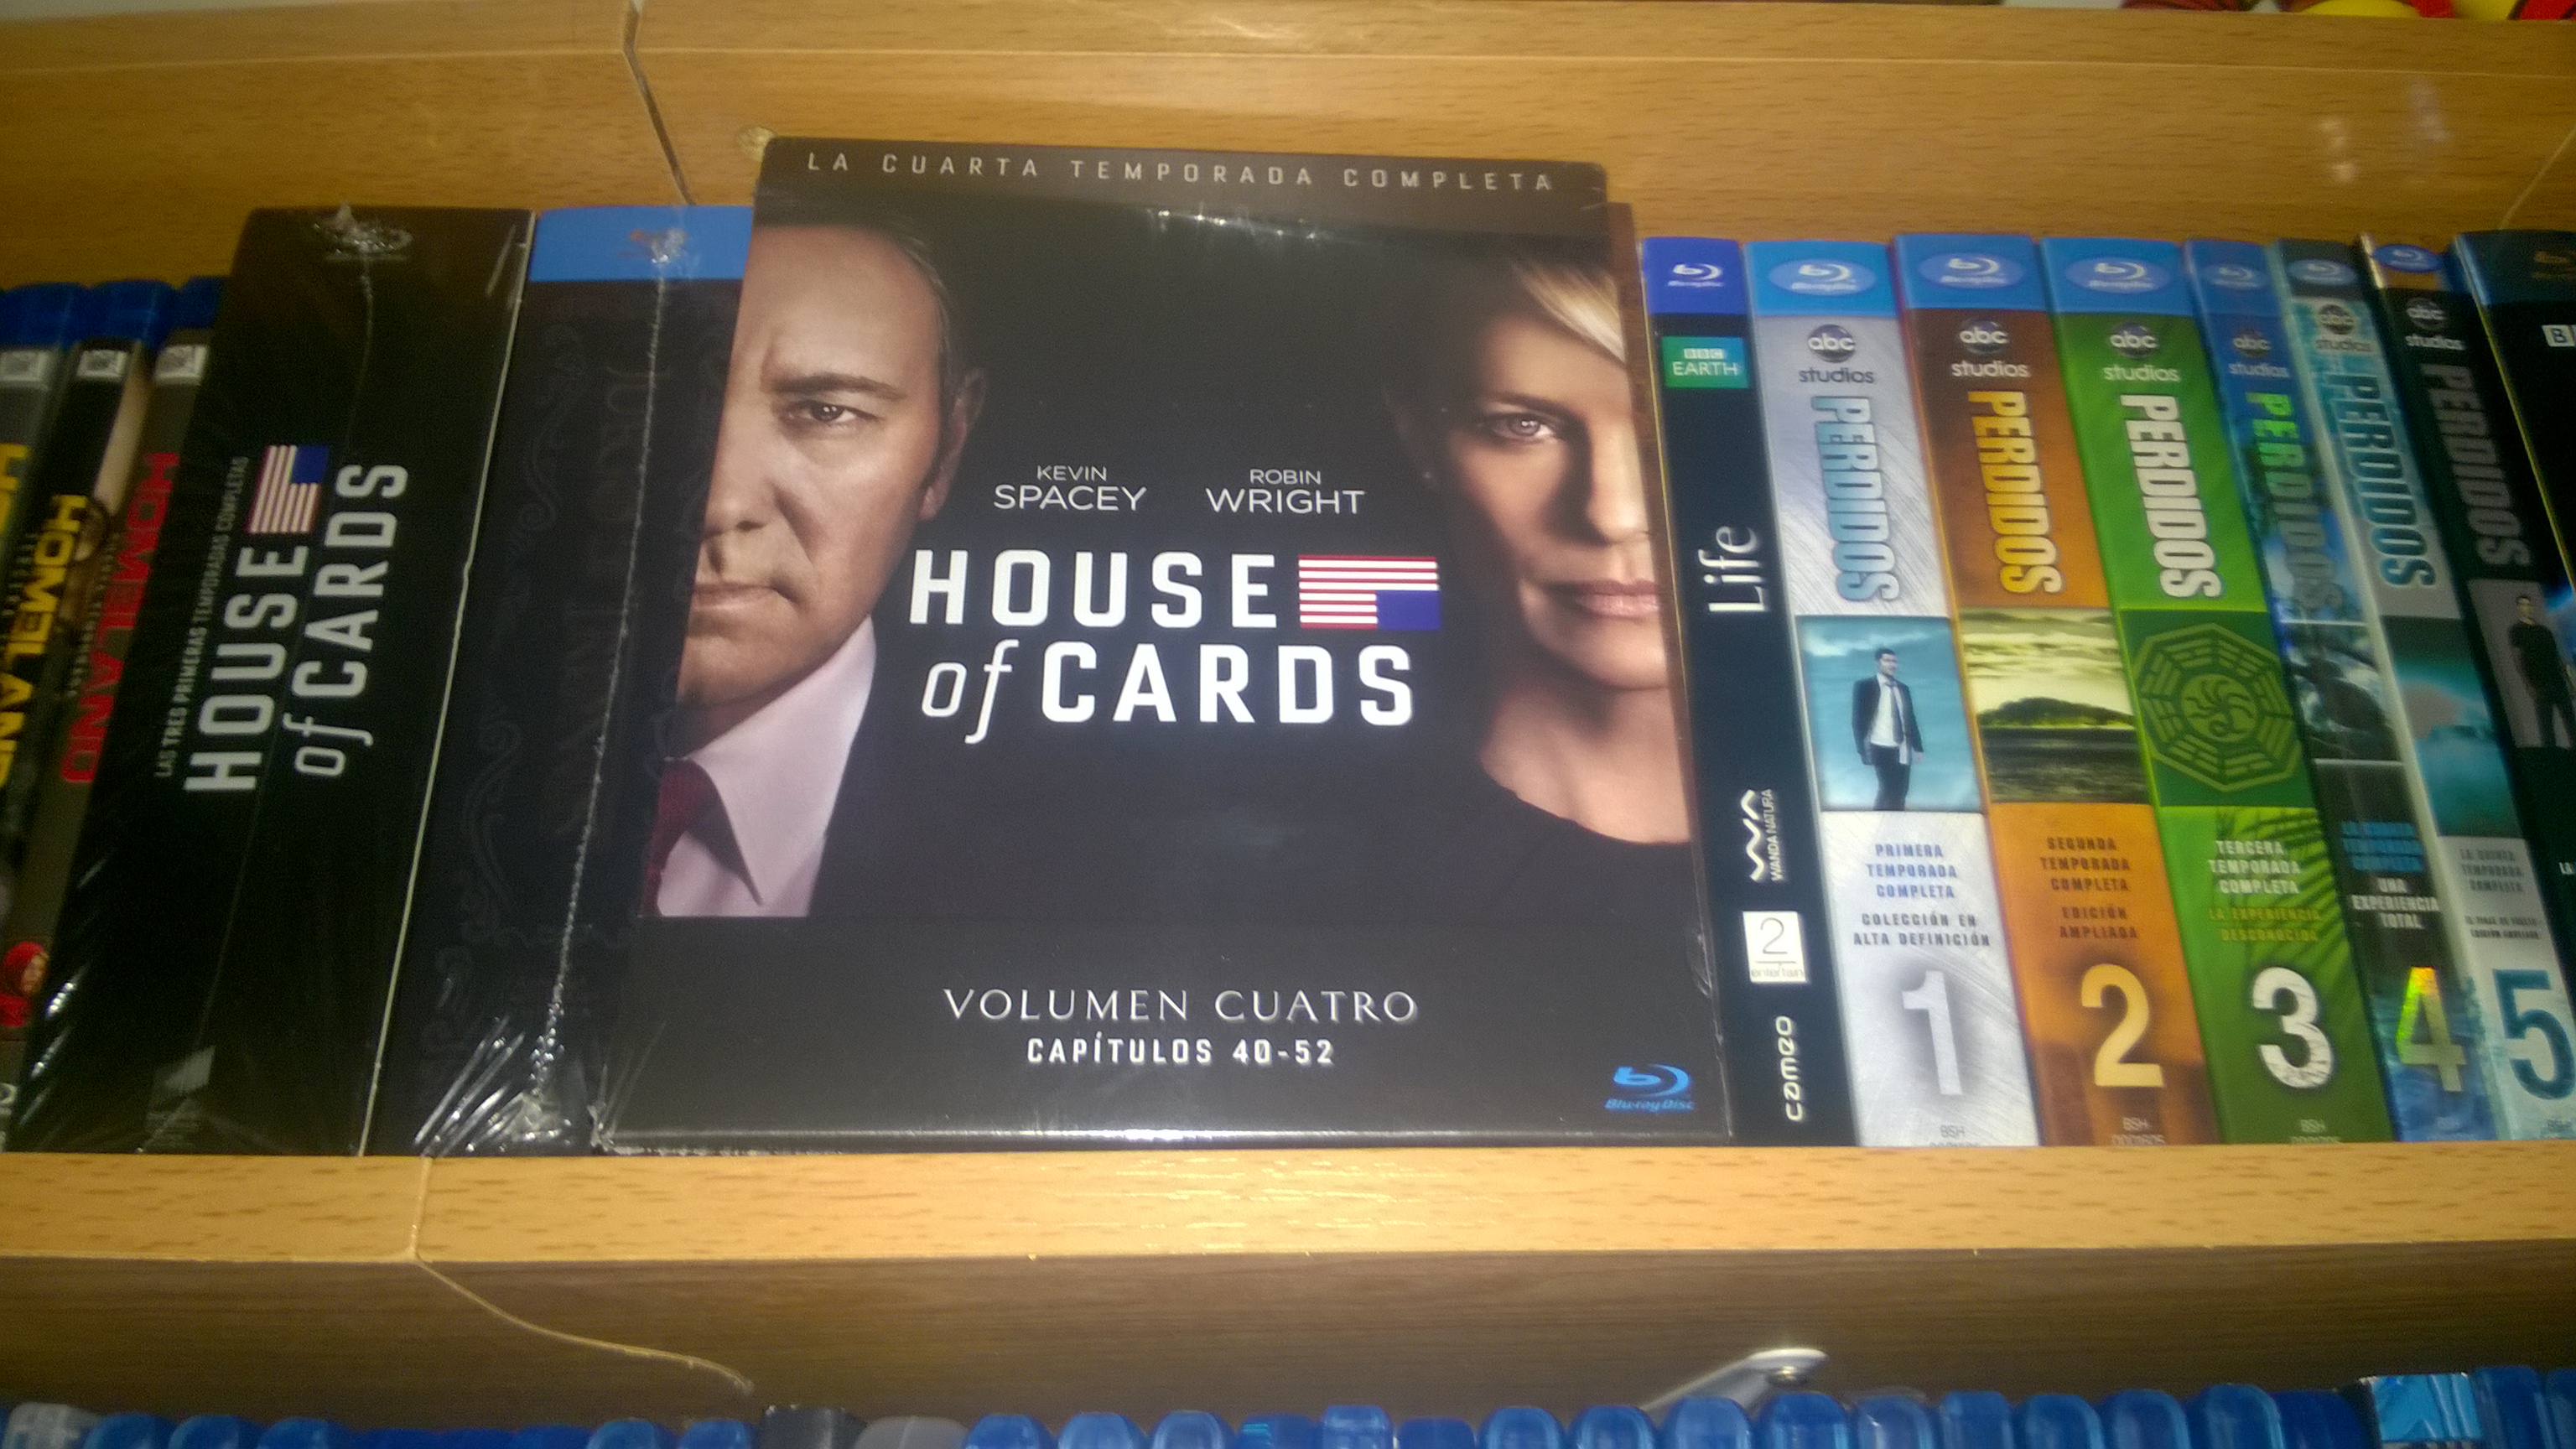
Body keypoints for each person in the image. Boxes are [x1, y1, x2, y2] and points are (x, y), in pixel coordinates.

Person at [645, 216, 984, 918]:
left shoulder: (1052, 849)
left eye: (827, 412)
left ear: (947, 449)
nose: (720, 503)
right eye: (662, 399)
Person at [1378, 245, 1695, 927]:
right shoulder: (1327, 874)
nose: (1613, 514)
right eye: (1523, 427)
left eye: (1674, 425)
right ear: (1418, 438)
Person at [1852, 647, 1923, 811]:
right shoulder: (1865, 686)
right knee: (1887, 788)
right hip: (1880, 745)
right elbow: (1858, 720)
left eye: (1894, 661)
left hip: (1903, 746)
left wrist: (1918, 747)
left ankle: (1896, 821)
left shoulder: (1903, 688)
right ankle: (1878, 818)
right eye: (1887, 661)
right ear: (1878, 663)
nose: (1892, 664)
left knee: (1902, 791)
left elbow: (1910, 718)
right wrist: (1861, 750)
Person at [2508, 593, 2574, 750]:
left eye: (2528, 605)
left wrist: (2569, 683)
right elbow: (2518, 658)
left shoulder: (2544, 631)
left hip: (2557, 680)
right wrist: (2529, 684)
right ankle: (2551, 757)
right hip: (2539, 683)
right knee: (2546, 726)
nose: (2526, 608)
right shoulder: (2517, 630)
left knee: (2571, 721)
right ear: (2519, 608)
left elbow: (2557, 657)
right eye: (2523, 605)